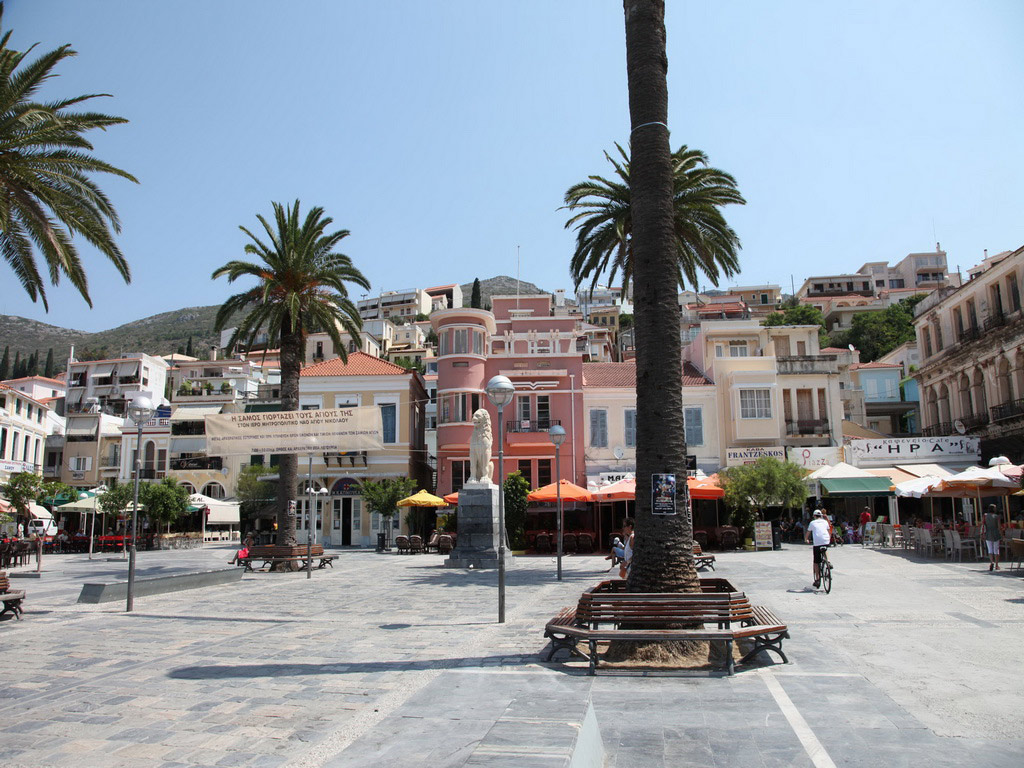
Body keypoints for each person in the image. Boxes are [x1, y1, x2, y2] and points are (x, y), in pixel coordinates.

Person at [805, 510, 831, 589]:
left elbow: (808, 533)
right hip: (826, 540)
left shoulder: (812, 523)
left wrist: (806, 539)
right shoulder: (825, 522)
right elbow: (828, 531)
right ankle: (828, 562)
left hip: (817, 543)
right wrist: (828, 539)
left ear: (814, 516)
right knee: (825, 549)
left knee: (816, 562)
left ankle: (817, 579)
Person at [983, 504, 1002, 572]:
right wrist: (1002, 534)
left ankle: (992, 562)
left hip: (988, 533)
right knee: (996, 549)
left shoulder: (985, 515)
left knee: (990, 549)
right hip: (996, 533)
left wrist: (983, 533)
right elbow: (999, 527)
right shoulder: (997, 516)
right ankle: (997, 565)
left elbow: (983, 524)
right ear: (994, 509)